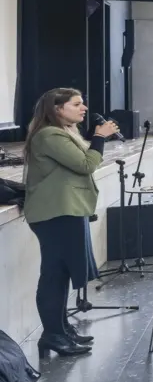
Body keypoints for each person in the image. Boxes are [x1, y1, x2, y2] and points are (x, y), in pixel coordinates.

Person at [22, 89, 118, 355]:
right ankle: (53, 335)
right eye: (76, 104)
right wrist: (99, 137)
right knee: (54, 275)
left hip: (66, 211)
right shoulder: (49, 135)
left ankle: (61, 330)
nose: (84, 108)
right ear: (57, 109)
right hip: (56, 213)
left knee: (61, 273)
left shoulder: (63, 133)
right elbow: (86, 165)